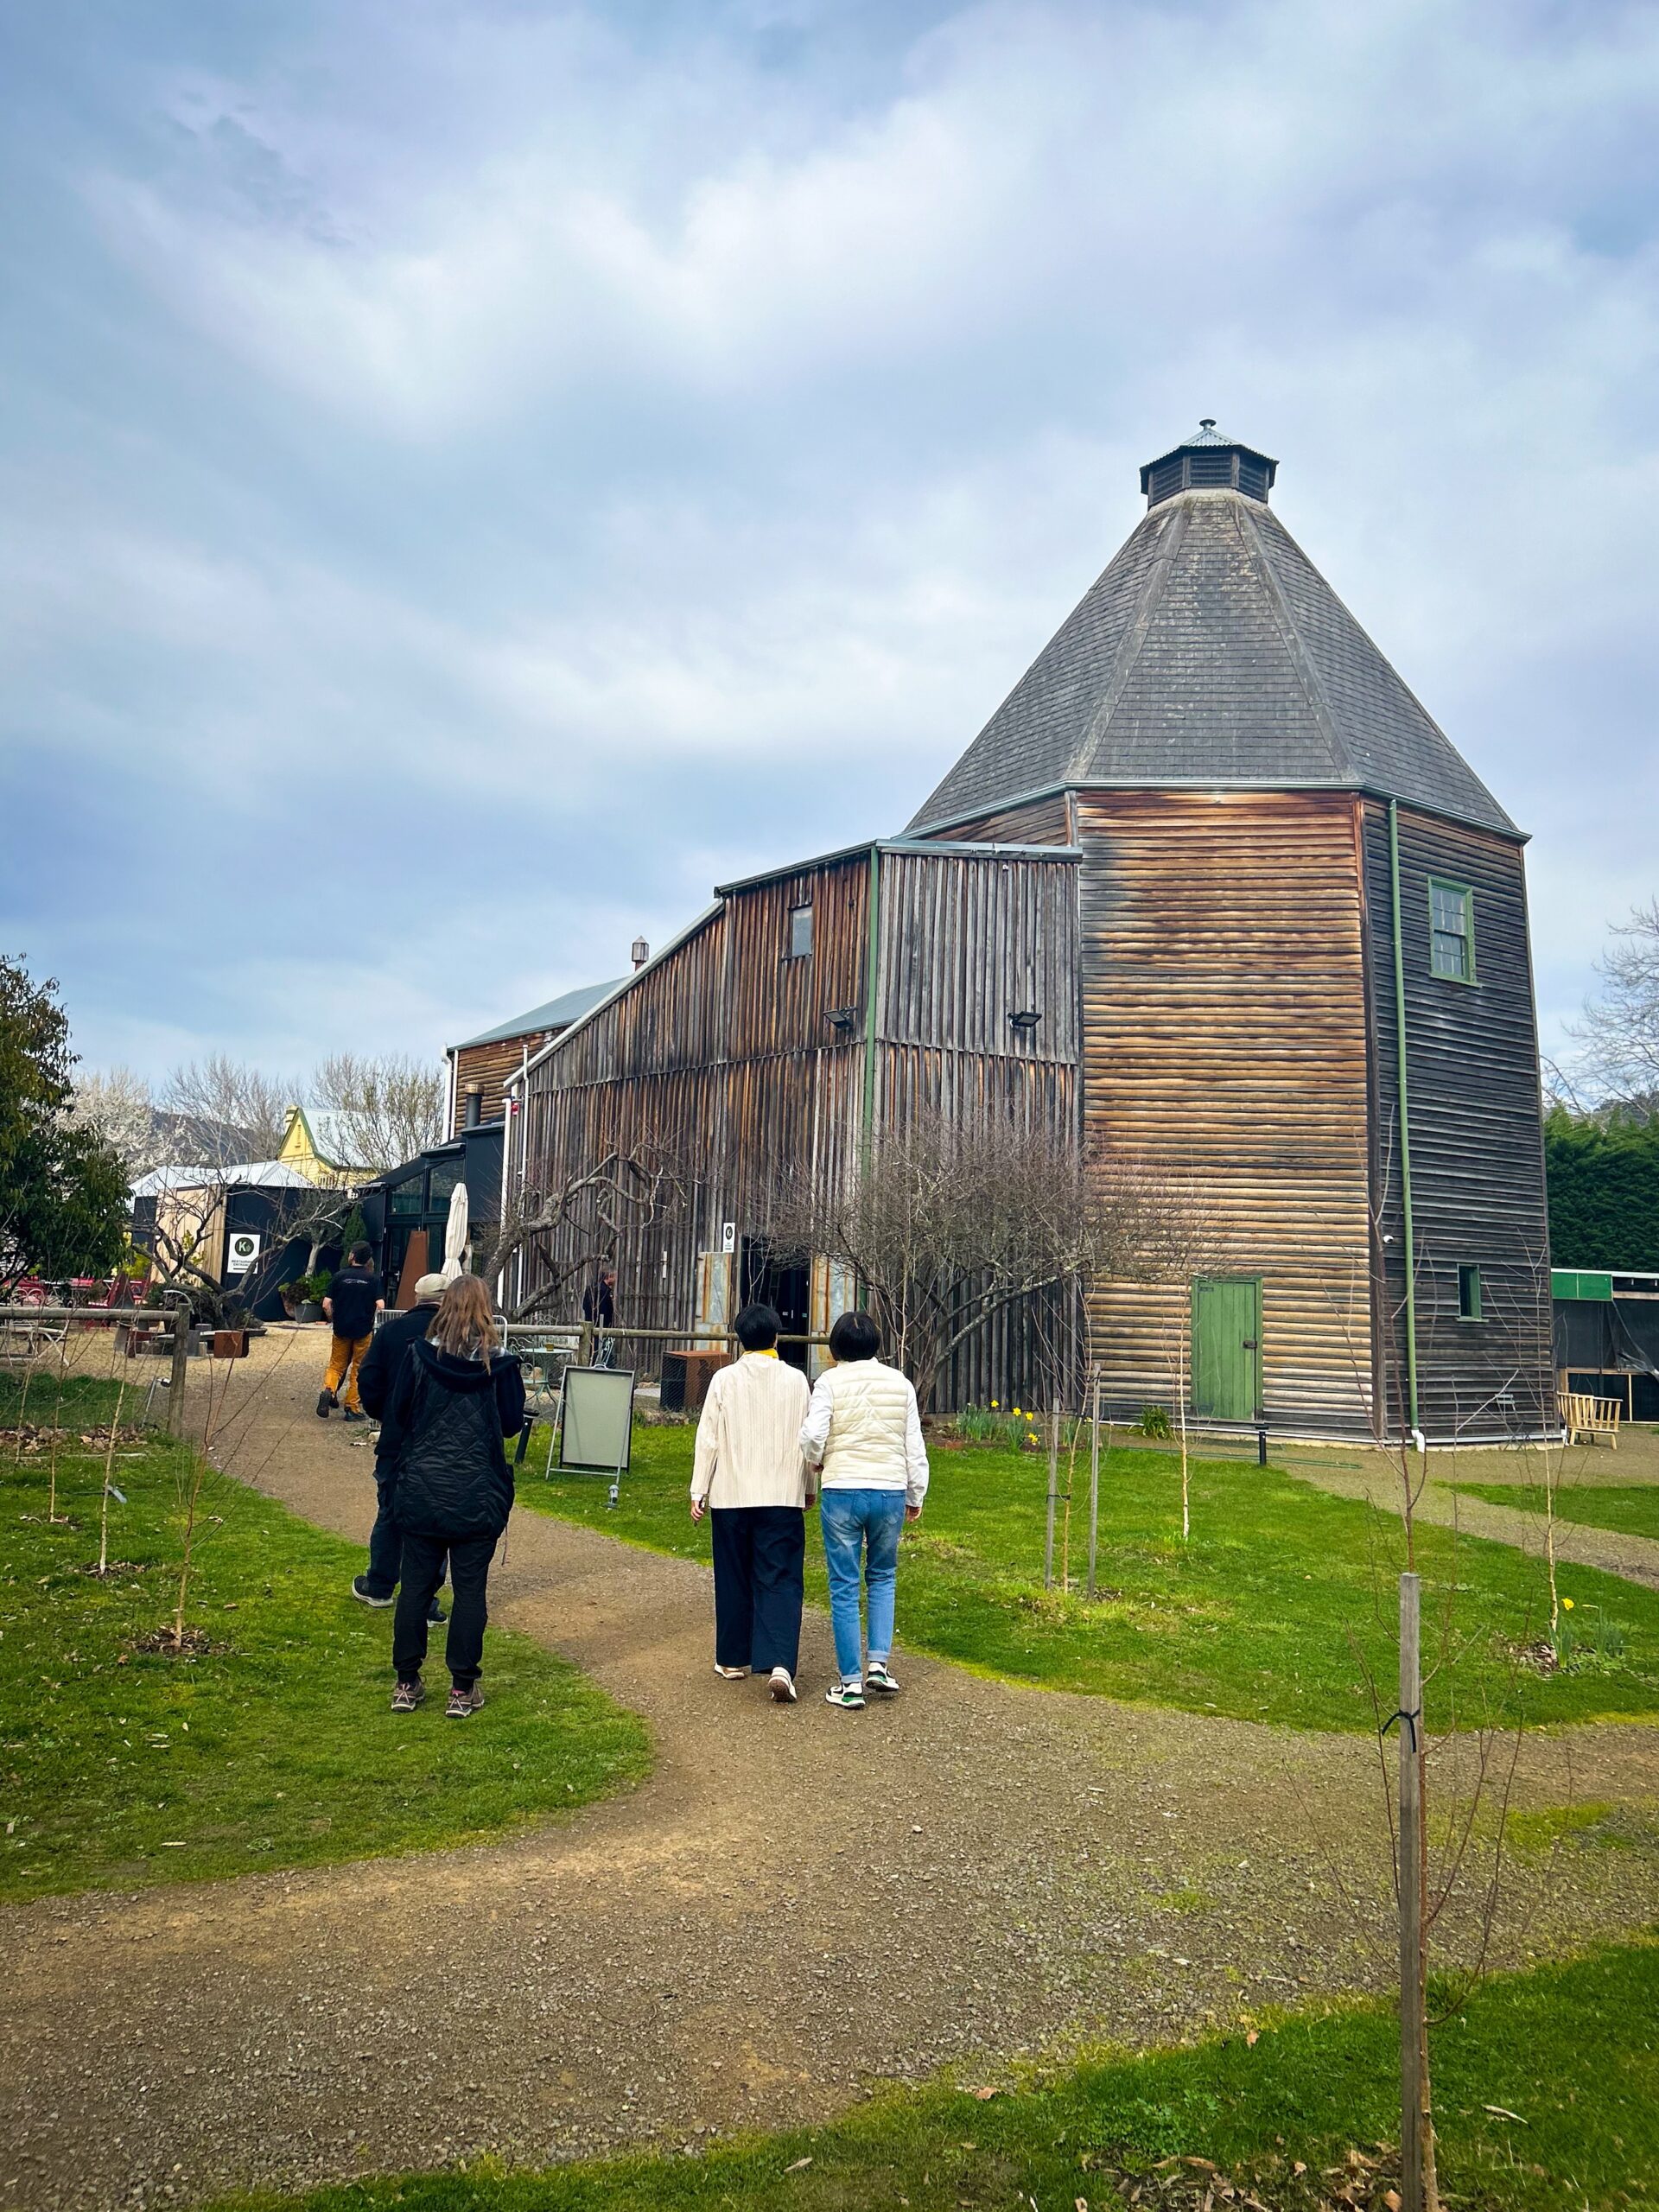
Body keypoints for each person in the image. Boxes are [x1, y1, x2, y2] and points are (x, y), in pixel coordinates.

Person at [382, 1274, 524, 1718]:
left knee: (415, 1588)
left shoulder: (419, 1358)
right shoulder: (500, 1366)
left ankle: (407, 1681)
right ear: (486, 1310)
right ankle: (462, 1689)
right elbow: (510, 1425)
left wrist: (393, 1476)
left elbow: (398, 1415)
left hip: (424, 1488)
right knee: (469, 1591)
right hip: (476, 1492)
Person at [800, 1310, 929, 1711]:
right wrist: (915, 1494)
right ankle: (879, 1664)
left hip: (843, 1489)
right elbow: (914, 1445)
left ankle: (850, 1683)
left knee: (844, 1584)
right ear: (876, 1345)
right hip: (889, 1489)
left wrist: (817, 1460)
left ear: (836, 1347)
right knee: (883, 1576)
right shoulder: (900, 1383)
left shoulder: (829, 1382)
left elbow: (812, 1435)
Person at [690, 1302, 813, 1703]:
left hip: (732, 1493)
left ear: (739, 1338)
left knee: (733, 1575)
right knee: (780, 1577)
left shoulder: (724, 1380)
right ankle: (779, 1663)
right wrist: (810, 1486)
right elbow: (808, 1440)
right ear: (776, 1336)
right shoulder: (797, 1381)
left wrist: (699, 1489)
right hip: (781, 1495)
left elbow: (708, 1437)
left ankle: (731, 1658)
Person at [351, 1272, 446, 1623]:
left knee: (390, 1511)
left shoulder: (391, 1332)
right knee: (435, 1517)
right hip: (439, 1441)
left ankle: (379, 1585)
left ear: (416, 1297)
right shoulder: (455, 1335)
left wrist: (385, 1413)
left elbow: (368, 1378)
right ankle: (426, 1600)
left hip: (396, 1437)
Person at [317, 1241, 385, 1421]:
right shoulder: (373, 1279)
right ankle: (352, 1408)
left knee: (336, 1365)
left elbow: (326, 1303)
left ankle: (329, 1391)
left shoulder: (339, 1276)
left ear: (353, 1256)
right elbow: (381, 1304)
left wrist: (332, 1317)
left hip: (341, 1328)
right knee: (358, 1369)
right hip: (363, 1330)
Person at [582, 1267, 617, 1368]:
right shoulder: (604, 1291)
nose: (615, 1280)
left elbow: (584, 1306)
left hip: (589, 1325)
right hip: (602, 1327)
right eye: (614, 1277)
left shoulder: (590, 1288)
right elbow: (605, 1311)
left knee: (590, 1353)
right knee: (603, 1353)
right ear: (609, 1277)